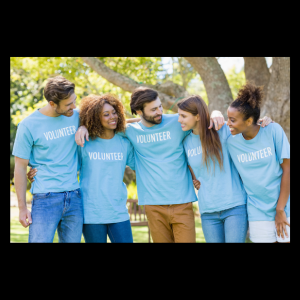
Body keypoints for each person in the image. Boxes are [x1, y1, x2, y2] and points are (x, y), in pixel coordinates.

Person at [75, 87, 226, 243]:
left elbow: (197, 119)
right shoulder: (129, 131)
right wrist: (84, 126)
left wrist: (215, 113)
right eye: (153, 109)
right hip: (153, 205)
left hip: (182, 201)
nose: (159, 111)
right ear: (139, 111)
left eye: (160, 106)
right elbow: (106, 124)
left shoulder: (178, 122)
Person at [13, 76, 83, 243]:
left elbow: (112, 122)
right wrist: (22, 209)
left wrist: (85, 125)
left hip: (74, 197)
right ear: (52, 104)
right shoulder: (28, 125)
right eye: (68, 104)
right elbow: (20, 168)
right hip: (45, 198)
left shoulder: (77, 115)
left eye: (74, 101)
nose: (73, 107)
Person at [226, 82, 290, 243]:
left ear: (248, 121)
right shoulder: (231, 142)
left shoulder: (273, 131)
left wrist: (280, 209)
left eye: (232, 120)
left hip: (285, 206)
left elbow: (288, 169)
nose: (228, 123)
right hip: (257, 211)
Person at [77, 94, 135, 243]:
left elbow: (140, 166)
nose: (112, 117)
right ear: (96, 118)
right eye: (106, 114)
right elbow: (67, 167)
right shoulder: (85, 143)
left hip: (118, 211)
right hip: (91, 212)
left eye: (114, 112)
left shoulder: (124, 143)